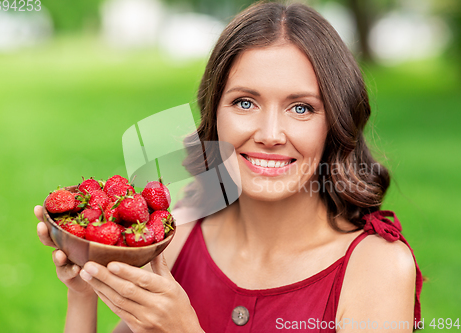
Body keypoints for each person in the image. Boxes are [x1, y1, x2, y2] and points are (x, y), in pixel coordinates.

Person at [35, 1, 422, 332]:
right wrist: (83, 291)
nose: (270, 134)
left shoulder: (376, 269)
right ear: (213, 113)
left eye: (301, 108)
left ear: (335, 123)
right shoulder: (178, 239)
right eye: (245, 103)